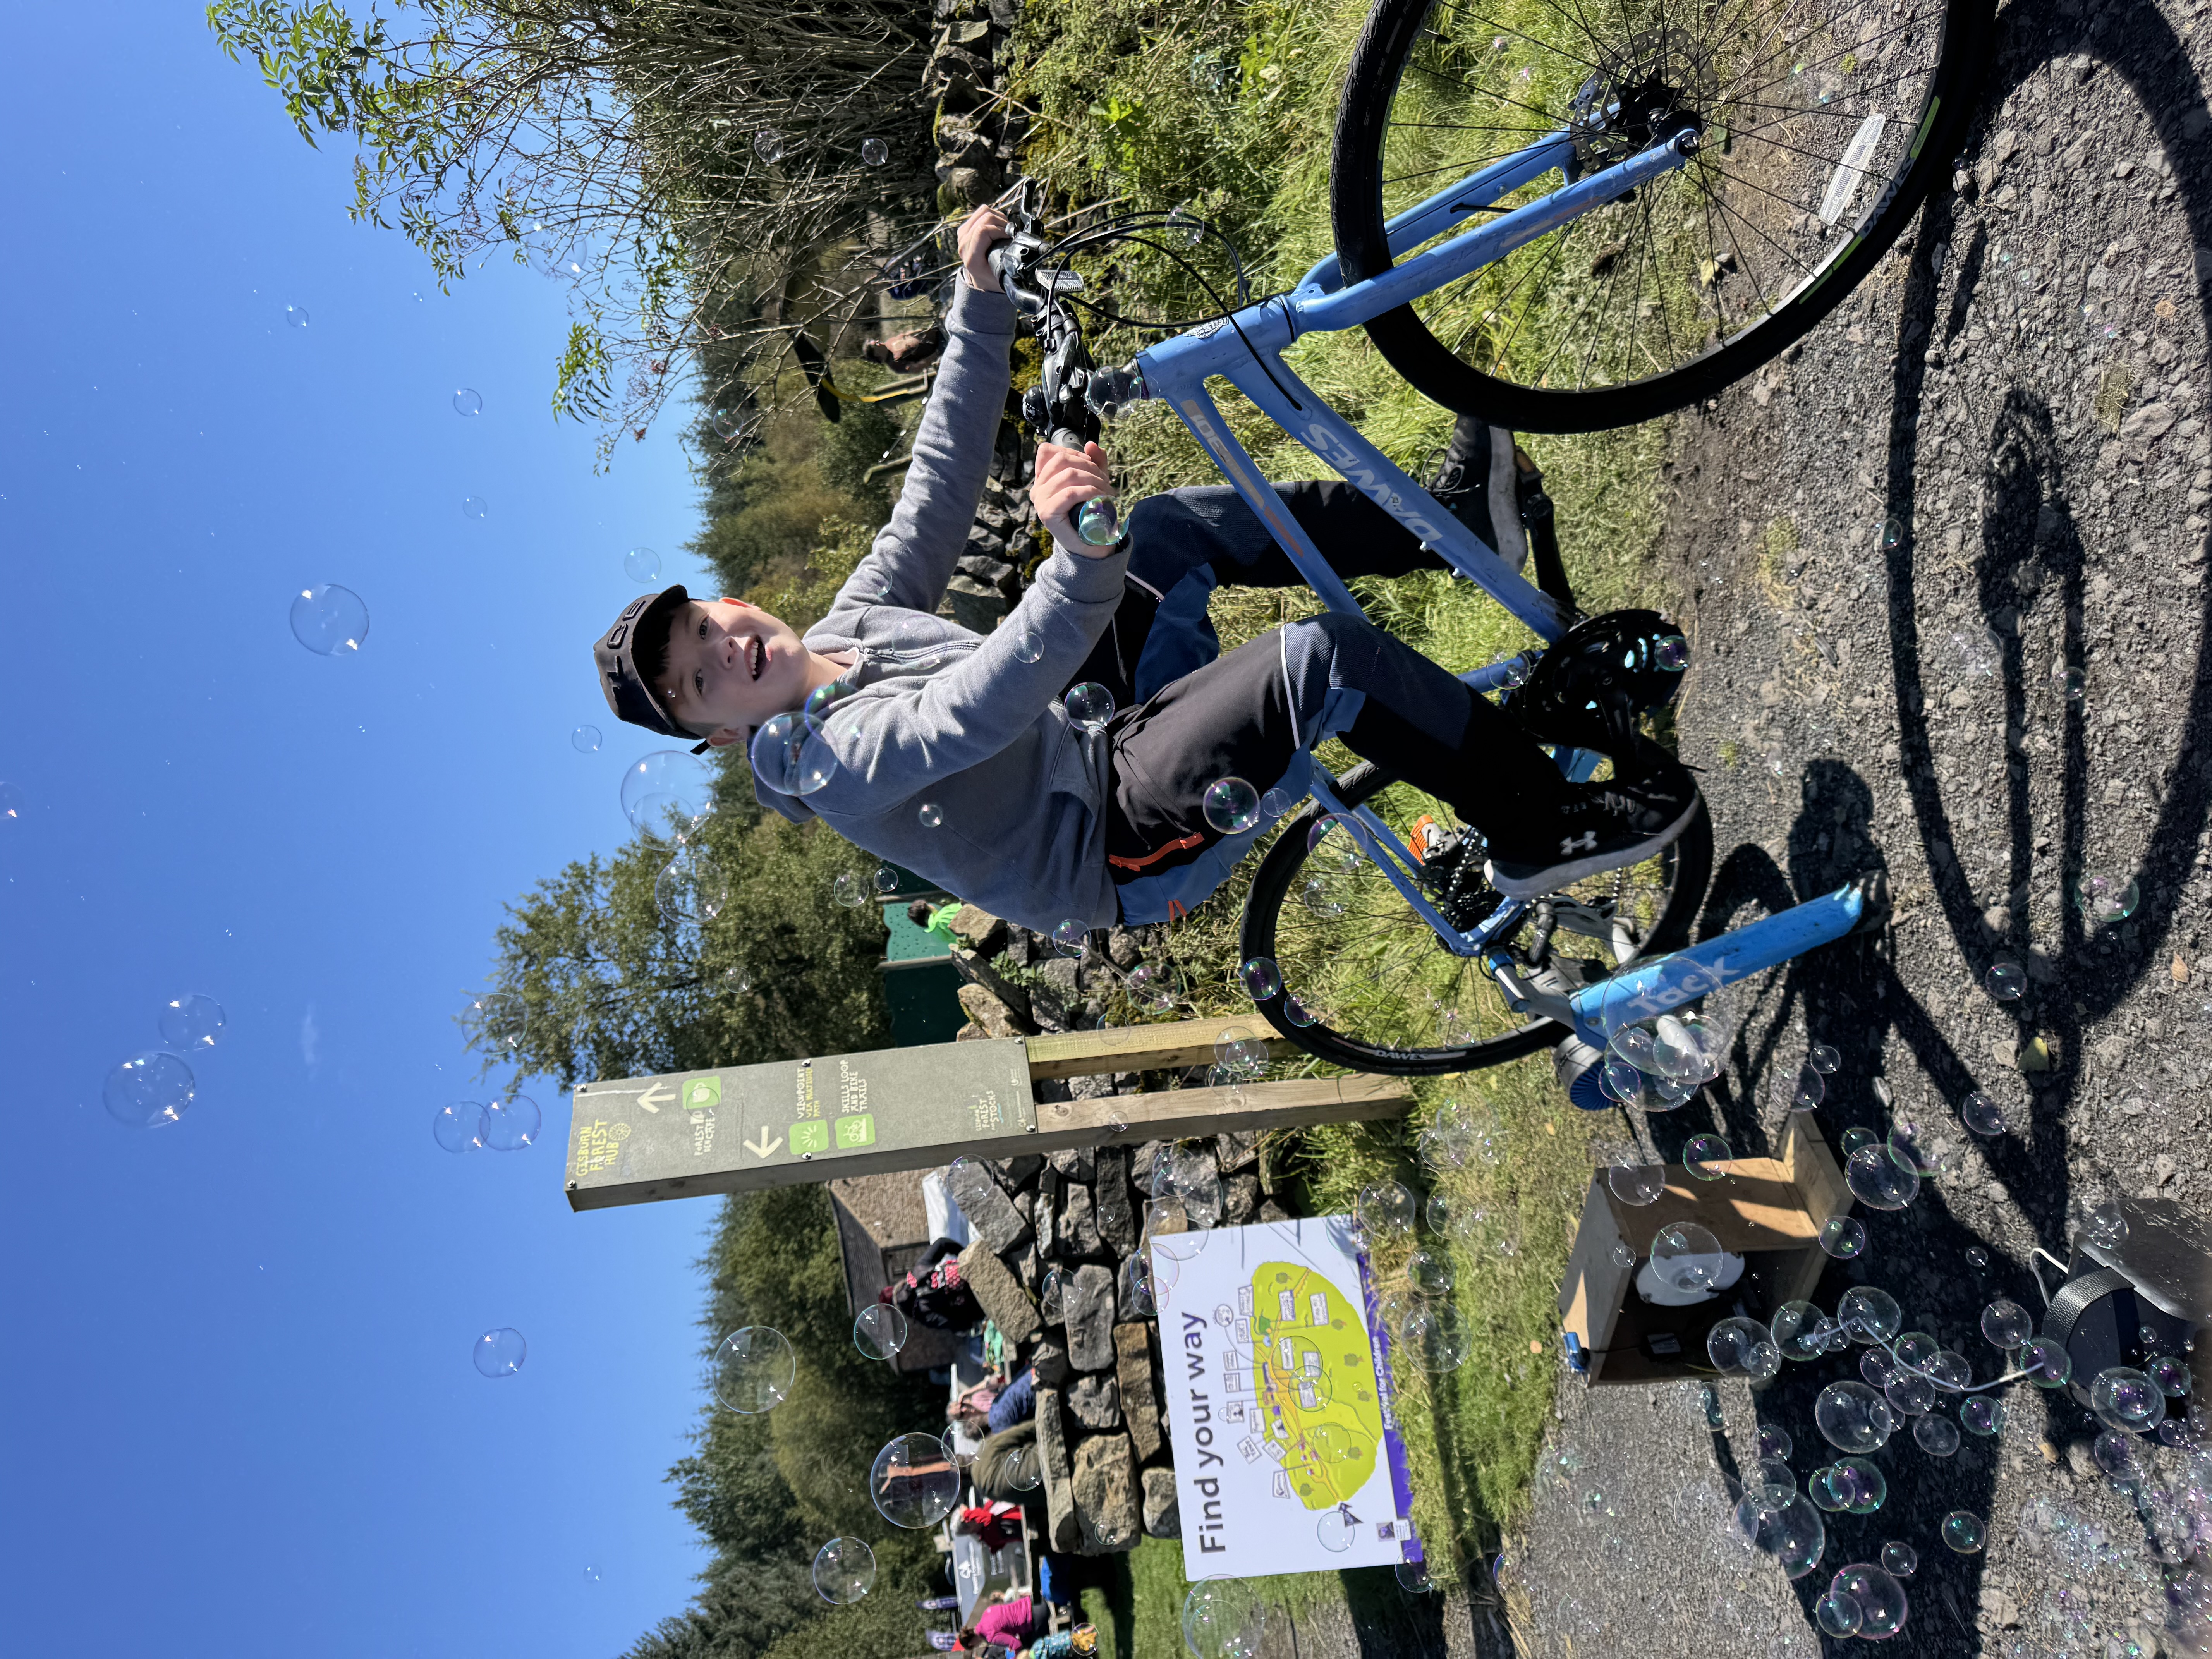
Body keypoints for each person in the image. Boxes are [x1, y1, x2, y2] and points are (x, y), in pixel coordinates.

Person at [589, 206, 1696, 933]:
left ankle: (1451, 525)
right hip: (1112, 841)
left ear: (729, 599)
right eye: (702, 682)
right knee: (1320, 662)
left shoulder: (853, 618)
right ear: (724, 736)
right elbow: (970, 712)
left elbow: (934, 486)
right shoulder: (829, 764)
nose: (725, 649)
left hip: (1094, 728)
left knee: (1160, 533)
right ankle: (1539, 823)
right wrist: (1073, 568)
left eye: (704, 626)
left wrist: (979, 302)